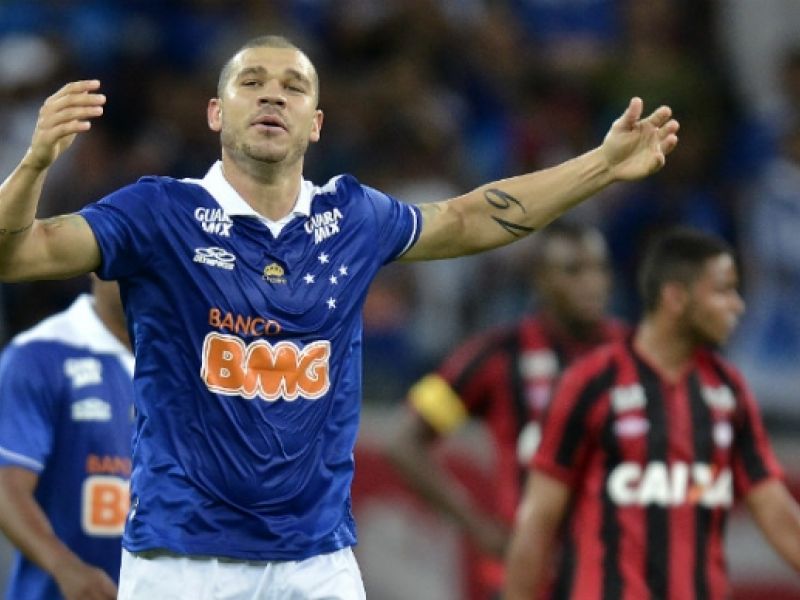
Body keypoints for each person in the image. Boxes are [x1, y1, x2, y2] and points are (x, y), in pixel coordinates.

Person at [0, 34, 678, 599]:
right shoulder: (159, 213)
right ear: (215, 113)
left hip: (317, 562)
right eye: (252, 83)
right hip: (182, 561)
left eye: (293, 87)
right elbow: (17, 255)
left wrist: (601, 165)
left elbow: (469, 217)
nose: (272, 95)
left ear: (316, 123)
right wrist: (34, 165)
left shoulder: (352, 218)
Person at [503, 227, 800, 600]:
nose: (737, 305)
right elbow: (538, 521)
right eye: (722, 291)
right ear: (675, 298)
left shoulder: (728, 388)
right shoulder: (590, 383)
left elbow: (774, 508)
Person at [385, 221, 628, 598]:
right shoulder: (497, 355)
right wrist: (477, 526)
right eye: (573, 270)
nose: (592, 283)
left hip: (617, 576)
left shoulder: (634, 354)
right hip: (527, 578)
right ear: (541, 280)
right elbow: (404, 441)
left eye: (600, 268)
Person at [0, 276, 133, 600]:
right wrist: (64, 566)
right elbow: (5, 484)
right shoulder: (38, 354)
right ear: (97, 268)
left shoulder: (195, 360)